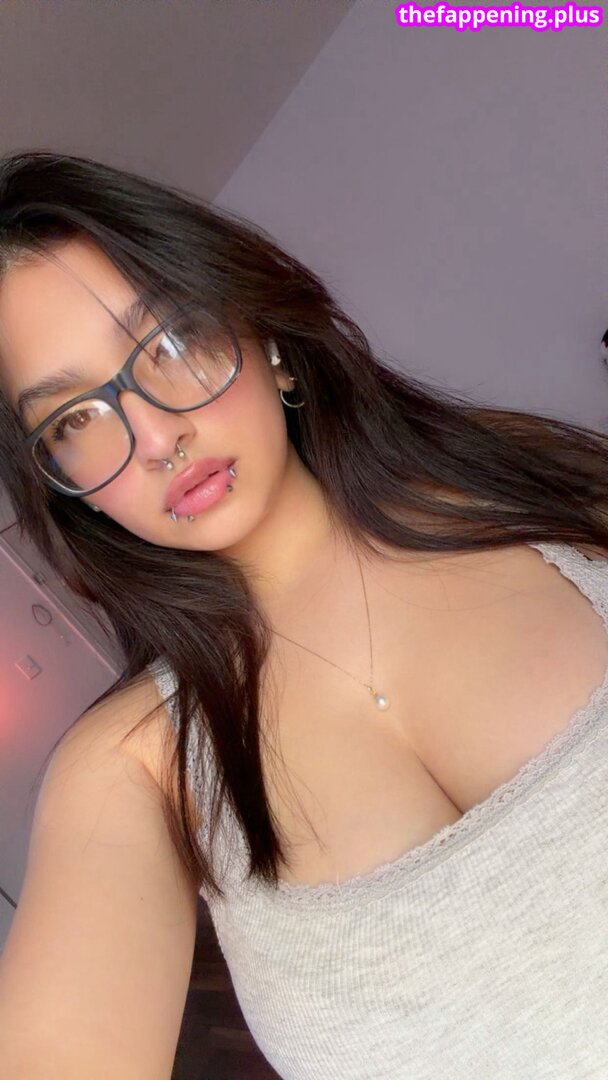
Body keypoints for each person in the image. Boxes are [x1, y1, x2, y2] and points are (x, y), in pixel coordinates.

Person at [0, 150, 606, 1080]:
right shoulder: (135, 767)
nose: (156, 436)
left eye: (171, 343)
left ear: (263, 331)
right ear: (61, 483)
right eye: (74, 419)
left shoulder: (545, 496)